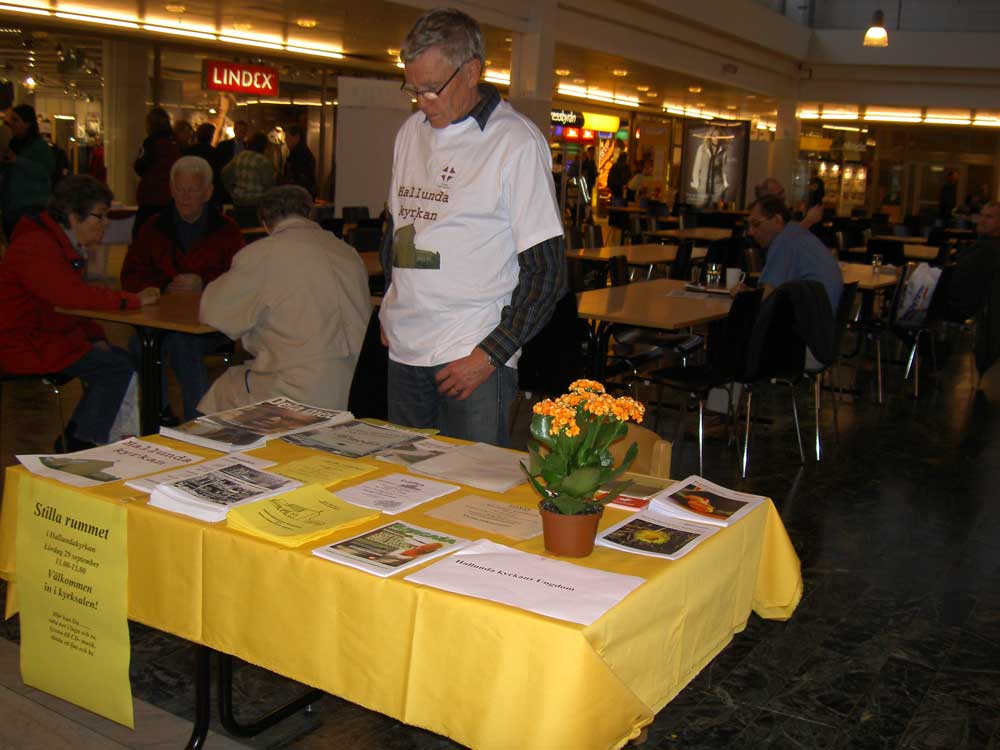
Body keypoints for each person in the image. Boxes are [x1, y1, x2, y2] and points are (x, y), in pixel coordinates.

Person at [380, 8, 565, 446]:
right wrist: (391, 299)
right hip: (404, 349)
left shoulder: (515, 142)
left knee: (471, 497)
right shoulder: (409, 133)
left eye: (432, 88)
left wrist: (491, 355)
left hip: (471, 355)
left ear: (471, 72)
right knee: (404, 488)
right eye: (414, 87)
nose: (422, 100)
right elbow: (396, 230)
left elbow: (546, 273)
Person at [0, 175, 160, 449]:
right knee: (119, 368)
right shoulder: (37, 247)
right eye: (100, 216)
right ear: (74, 217)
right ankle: (80, 442)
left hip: (44, 335)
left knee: (122, 359)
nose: (105, 223)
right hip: (22, 343)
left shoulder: (57, 243)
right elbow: (72, 297)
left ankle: (88, 436)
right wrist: (131, 300)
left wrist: (95, 335)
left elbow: (72, 302)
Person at [198, 185, 369, 412]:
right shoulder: (348, 252)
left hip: (299, 390)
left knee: (223, 391)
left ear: (265, 222)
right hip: (359, 386)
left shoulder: (263, 254)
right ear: (309, 213)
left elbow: (214, 314)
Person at [121, 156, 244, 420]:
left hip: (211, 322)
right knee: (139, 345)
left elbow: (241, 280)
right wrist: (159, 286)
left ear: (208, 192)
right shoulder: (154, 228)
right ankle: (160, 411)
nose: (185, 197)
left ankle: (196, 422)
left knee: (183, 343)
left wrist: (205, 282)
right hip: (162, 318)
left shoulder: (227, 231)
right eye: (179, 189)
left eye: (193, 190)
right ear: (171, 189)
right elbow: (131, 273)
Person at [747, 195, 843, 313]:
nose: (750, 232)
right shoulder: (796, 234)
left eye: (756, 224)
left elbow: (766, 298)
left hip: (808, 323)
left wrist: (742, 296)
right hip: (823, 320)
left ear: (777, 220)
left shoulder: (784, 240)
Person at [949, 201, 1000, 374]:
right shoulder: (983, 245)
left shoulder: (989, 249)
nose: (982, 221)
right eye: (982, 216)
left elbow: (958, 275)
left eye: (990, 217)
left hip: (968, 308)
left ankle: (932, 361)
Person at [1, 104, 55, 239]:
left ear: (27, 124)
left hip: (31, 209)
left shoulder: (39, 147)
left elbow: (45, 172)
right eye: (11, 120)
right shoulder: (13, 144)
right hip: (11, 209)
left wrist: (17, 161)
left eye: (16, 120)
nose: (11, 124)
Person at [134, 107, 181, 237]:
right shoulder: (175, 143)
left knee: (143, 234)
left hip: (151, 195)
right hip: (170, 195)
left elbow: (139, 166)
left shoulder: (150, 142)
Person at [222, 131, 274, 227]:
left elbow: (225, 173)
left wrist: (231, 190)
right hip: (256, 203)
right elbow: (268, 184)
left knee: (241, 230)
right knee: (255, 232)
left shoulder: (240, 156)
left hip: (239, 202)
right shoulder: (263, 161)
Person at [754, 176, 822, 231]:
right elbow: (785, 238)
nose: (783, 196)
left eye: (783, 191)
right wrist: (808, 221)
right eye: (779, 194)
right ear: (766, 198)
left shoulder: (782, 210)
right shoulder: (762, 217)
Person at [184, 123, 224, 208]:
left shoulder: (189, 152)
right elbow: (217, 176)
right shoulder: (215, 154)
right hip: (209, 192)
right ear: (211, 136)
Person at [282, 124, 317, 197]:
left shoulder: (300, 155)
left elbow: (299, 178)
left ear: (297, 137)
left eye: (287, 136)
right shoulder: (296, 153)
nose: (285, 139)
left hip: (299, 196)